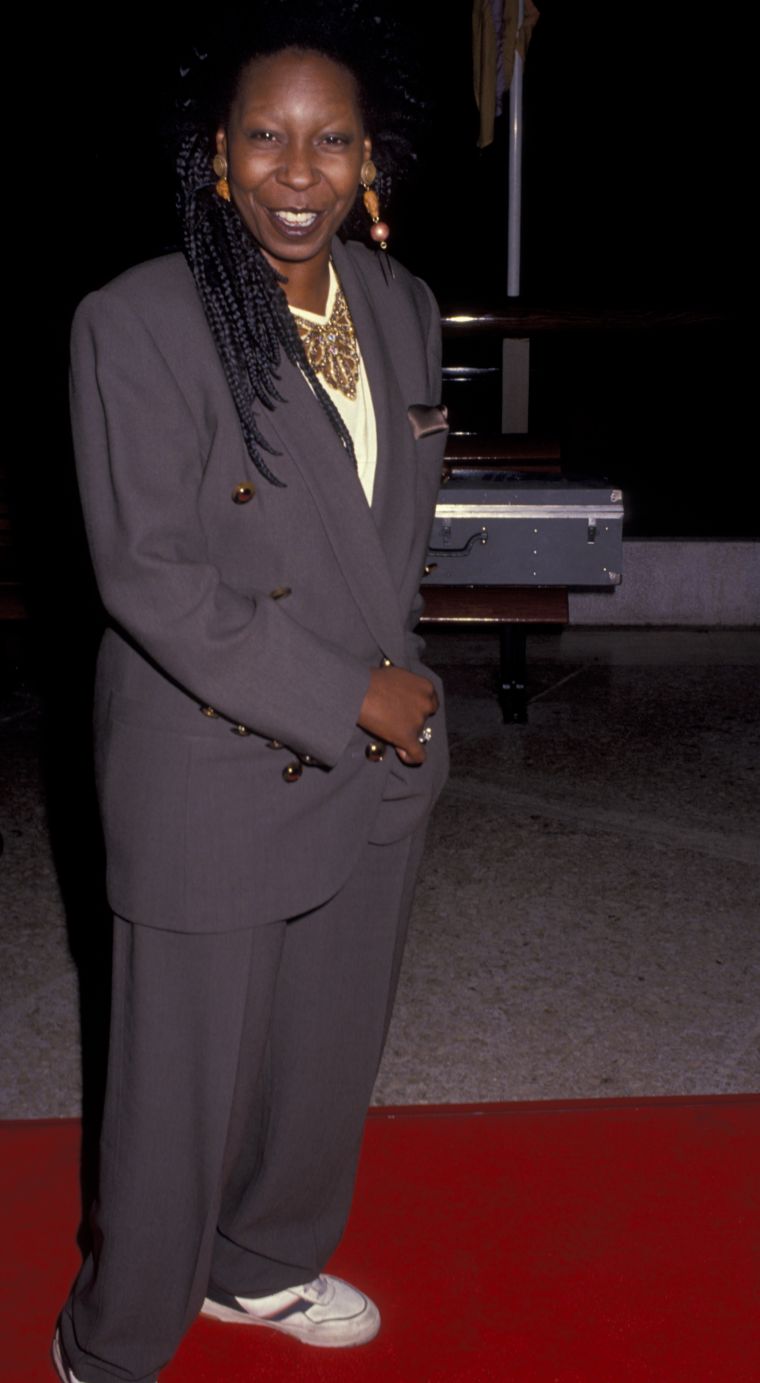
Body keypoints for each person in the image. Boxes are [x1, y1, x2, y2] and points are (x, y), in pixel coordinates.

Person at [53, 6, 449, 1380]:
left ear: (368, 158)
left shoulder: (399, 306)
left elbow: (376, 528)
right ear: (215, 159)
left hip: (375, 755)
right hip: (217, 755)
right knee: (179, 1088)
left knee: (322, 1054)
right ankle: (113, 1340)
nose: (298, 171)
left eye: (329, 139)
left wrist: (396, 694)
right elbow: (149, 575)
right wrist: (353, 693)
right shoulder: (140, 320)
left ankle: (265, 1267)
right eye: (265, 138)